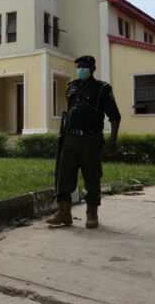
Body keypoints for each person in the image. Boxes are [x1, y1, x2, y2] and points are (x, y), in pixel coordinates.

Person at [47, 55, 120, 229]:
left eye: (84, 66)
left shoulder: (102, 89)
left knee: (92, 176)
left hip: (91, 139)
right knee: (63, 176)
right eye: (78, 66)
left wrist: (113, 140)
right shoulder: (71, 87)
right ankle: (64, 212)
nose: (80, 69)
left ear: (93, 69)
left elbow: (115, 116)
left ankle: (92, 214)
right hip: (70, 138)